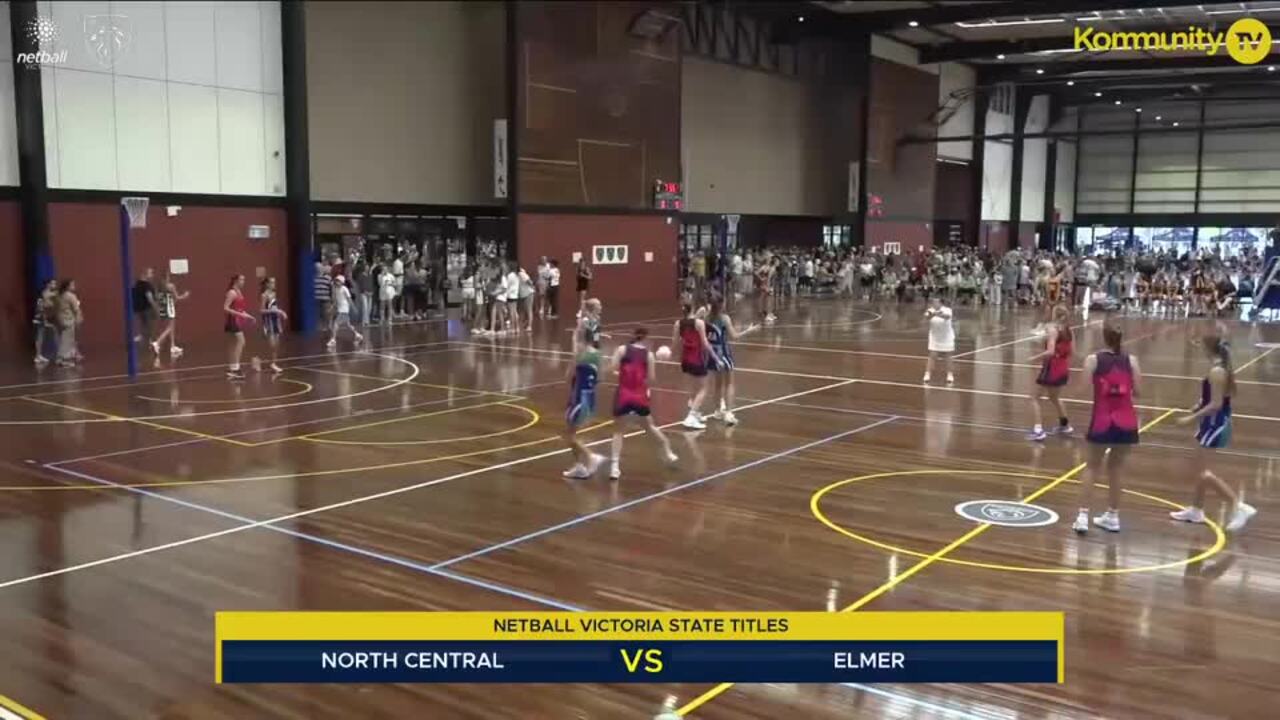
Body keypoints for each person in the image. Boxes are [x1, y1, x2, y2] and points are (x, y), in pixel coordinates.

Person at [1170, 331, 1257, 532]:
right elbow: (1214, 397)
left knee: (1203, 473)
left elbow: (1216, 404)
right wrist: (1199, 404)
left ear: (1208, 348)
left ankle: (1238, 505)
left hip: (1215, 423)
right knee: (1200, 470)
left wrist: (1190, 418)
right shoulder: (1219, 368)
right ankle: (1196, 510)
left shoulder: (1217, 371)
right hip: (1211, 422)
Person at [1074, 320, 1141, 534]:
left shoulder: (1093, 360)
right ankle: (1113, 516)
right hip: (1127, 421)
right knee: (1117, 468)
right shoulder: (1132, 361)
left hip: (1102, 420)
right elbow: (1138, 392)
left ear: (1103, 337)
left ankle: (1083, 516)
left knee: (1092, 466)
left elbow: (1081, 389)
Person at [607, 328, 678, 481]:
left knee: (619, 430)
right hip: (639, 395)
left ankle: (614, 467)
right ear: (646, 339)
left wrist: (623, 374)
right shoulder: (649, 355)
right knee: (649, 426)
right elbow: (651, 378)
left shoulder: (621, 350)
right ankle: (667, 451)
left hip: (623, 394)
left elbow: (612, 369)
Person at [704, 294, 757, 426]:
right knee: (729, 384)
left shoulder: (706, 318)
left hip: (712, 353)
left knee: (717, 384)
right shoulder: (724, 318)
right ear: (722, 304)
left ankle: (717, 410)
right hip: (723, 353)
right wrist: (749, 330)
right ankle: (729, 413)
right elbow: (734, 336)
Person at [1028, 304, 1073, 441]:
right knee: (1054, 397)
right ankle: (1065, 425)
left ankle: (1038, 430)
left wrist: (1034, 358)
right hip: (1063, 366)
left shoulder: (1053, 329)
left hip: (1052, 367)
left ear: (1055, 315)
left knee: (1035, 398)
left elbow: (1050, 351)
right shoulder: (1069, 330)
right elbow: (1072, 351)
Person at [562, 341, 606, 479]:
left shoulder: (579, 355)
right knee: (570, 434)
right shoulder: (598, 356)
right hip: (590, 398)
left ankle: (591, 456)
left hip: (578, 398)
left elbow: (567, 376)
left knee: (568, 435)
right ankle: (579, 466)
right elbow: (601, 379)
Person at [673, 302, 716, 430]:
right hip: (697, 359)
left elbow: (675, 342)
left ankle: (695, 413)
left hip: (685, 360)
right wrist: (715, 357)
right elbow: (705, 343)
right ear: (692, 309)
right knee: (704, 388)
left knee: (692, 388)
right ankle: (691, 417)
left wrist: (670, 353)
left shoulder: (678, 323)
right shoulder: (699, 323)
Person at [223, 274, 255, 380]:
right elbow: (225, 308)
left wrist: (250, 316)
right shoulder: (232, 292)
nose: (243, 281)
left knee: (234, 344)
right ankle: (236, 369)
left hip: (238, 320)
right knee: (241, 342)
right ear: (236, 281)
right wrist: (239, 315)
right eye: (242, 279)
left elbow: (241, 309)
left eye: (244, 279)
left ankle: (232, 368)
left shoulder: (239, 292)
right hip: (233, 320)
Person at [152, 272, 189, 357]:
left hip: (163, 307)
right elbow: (177, 297)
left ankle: (172, 346)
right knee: (170, 327)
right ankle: (157, 342)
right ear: (167, 277)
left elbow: (157, 298)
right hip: (169, 307)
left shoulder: (159, 287)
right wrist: (185, 295)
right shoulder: (171, 286)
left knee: (171, 326)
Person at [923, 297, 955, 385]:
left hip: (947, 337)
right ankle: (927, 374)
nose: (934, 304)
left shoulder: (947, 310)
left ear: (941, 303)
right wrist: (932, 314)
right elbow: (926, 317)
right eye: (933, 302)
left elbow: (947, 317)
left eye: (936, 302)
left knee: (948, 356)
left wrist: (937, 314)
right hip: (934, 337)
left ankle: (950, 374)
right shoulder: (930, 310)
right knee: (932, 355)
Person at [260, 276, 288, 373]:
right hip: (269, 322)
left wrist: (280, 313)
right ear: (267, 284)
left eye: (274, 282)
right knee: (271, 344)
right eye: (271, 282)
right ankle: (258, 359)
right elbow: (262, 310)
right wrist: (278, 311)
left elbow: (274, 307)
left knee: (276, 344)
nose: (273, 284)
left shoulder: (274, 294)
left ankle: (273, 363)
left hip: (276, 321)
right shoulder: (264, 295)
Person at [328, 275, 364, 348]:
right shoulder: (335, 289)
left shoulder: (344, 289)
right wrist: (331, 308)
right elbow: (335, 301)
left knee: (336, 324)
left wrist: (354, 308)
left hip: (344, 309)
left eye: (338, 281)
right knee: (347, 325)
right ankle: (358, 335)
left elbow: (349, 300)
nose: (336, 282)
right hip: (340, 309)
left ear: (342, 282)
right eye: (336, 280)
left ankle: (333, 340)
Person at [55, 279, 84, 367]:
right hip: (69, 320)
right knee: (68, 340)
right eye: (72, 285)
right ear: (67, 286)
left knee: (64, 339)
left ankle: (59, 358)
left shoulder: (60, 295)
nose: (74, 286)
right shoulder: (70, 296)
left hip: (61, 320)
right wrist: (79, 318)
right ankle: (65, 360)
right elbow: (76, 309)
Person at [132, 267, 159, 349]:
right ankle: (153, 344)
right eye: (151, 273)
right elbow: (149, 298)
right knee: (150, 327)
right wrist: (156, 308)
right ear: (145, 274)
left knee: (143, 326)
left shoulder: (136, 284)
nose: (152, 275)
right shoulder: (147, 285)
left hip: (138, 309)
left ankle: (142, 341)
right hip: (147, 309)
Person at [33, 279, 58, 366]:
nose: (54, 285)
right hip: (41, 316)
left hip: (46, 316)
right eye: (53, 283)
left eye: (55, 283)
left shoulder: (51, 294)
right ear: (48, 285)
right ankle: (38, 356)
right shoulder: (46, 294)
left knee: (52, 333)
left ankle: (39, 355)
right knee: (40, 335)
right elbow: (46, 305)